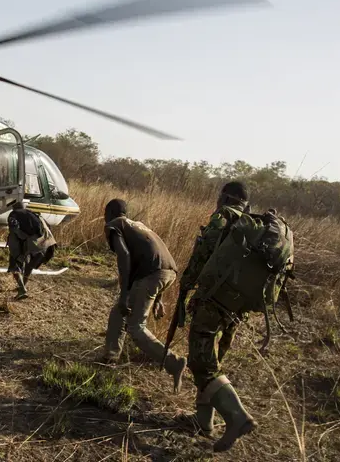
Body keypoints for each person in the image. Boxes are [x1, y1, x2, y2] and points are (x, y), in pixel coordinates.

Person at [181, 181, 257, 452]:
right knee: (210, 358)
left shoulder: (223, 218)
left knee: (202, 362)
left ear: (223, 198)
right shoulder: (251, 224)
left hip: (213, 303)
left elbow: (201, 256)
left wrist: (185, 286)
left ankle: (237, 418)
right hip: (235, 308)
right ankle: (204, 422)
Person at [102, 198, 187, 393]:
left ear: (108, 212)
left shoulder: (114, 225)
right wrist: (158, 297)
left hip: (151, 274)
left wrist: (124, 294)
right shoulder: (139, 225)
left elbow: (124, 256)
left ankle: (173, 363)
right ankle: (110, 357)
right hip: (168, 272)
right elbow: (152, 254)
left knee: (135, 327)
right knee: (118, 313)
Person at [6, 202, 56, 300]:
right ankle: (22, 286)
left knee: (14, 266)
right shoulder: (36, 215)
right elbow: (48, 228)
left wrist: (20, 251)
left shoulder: (14, 214)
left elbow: (15, 231)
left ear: (14, 208)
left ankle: (22, 290)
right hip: (45, 244)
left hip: (31, 244)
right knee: (29, 267)